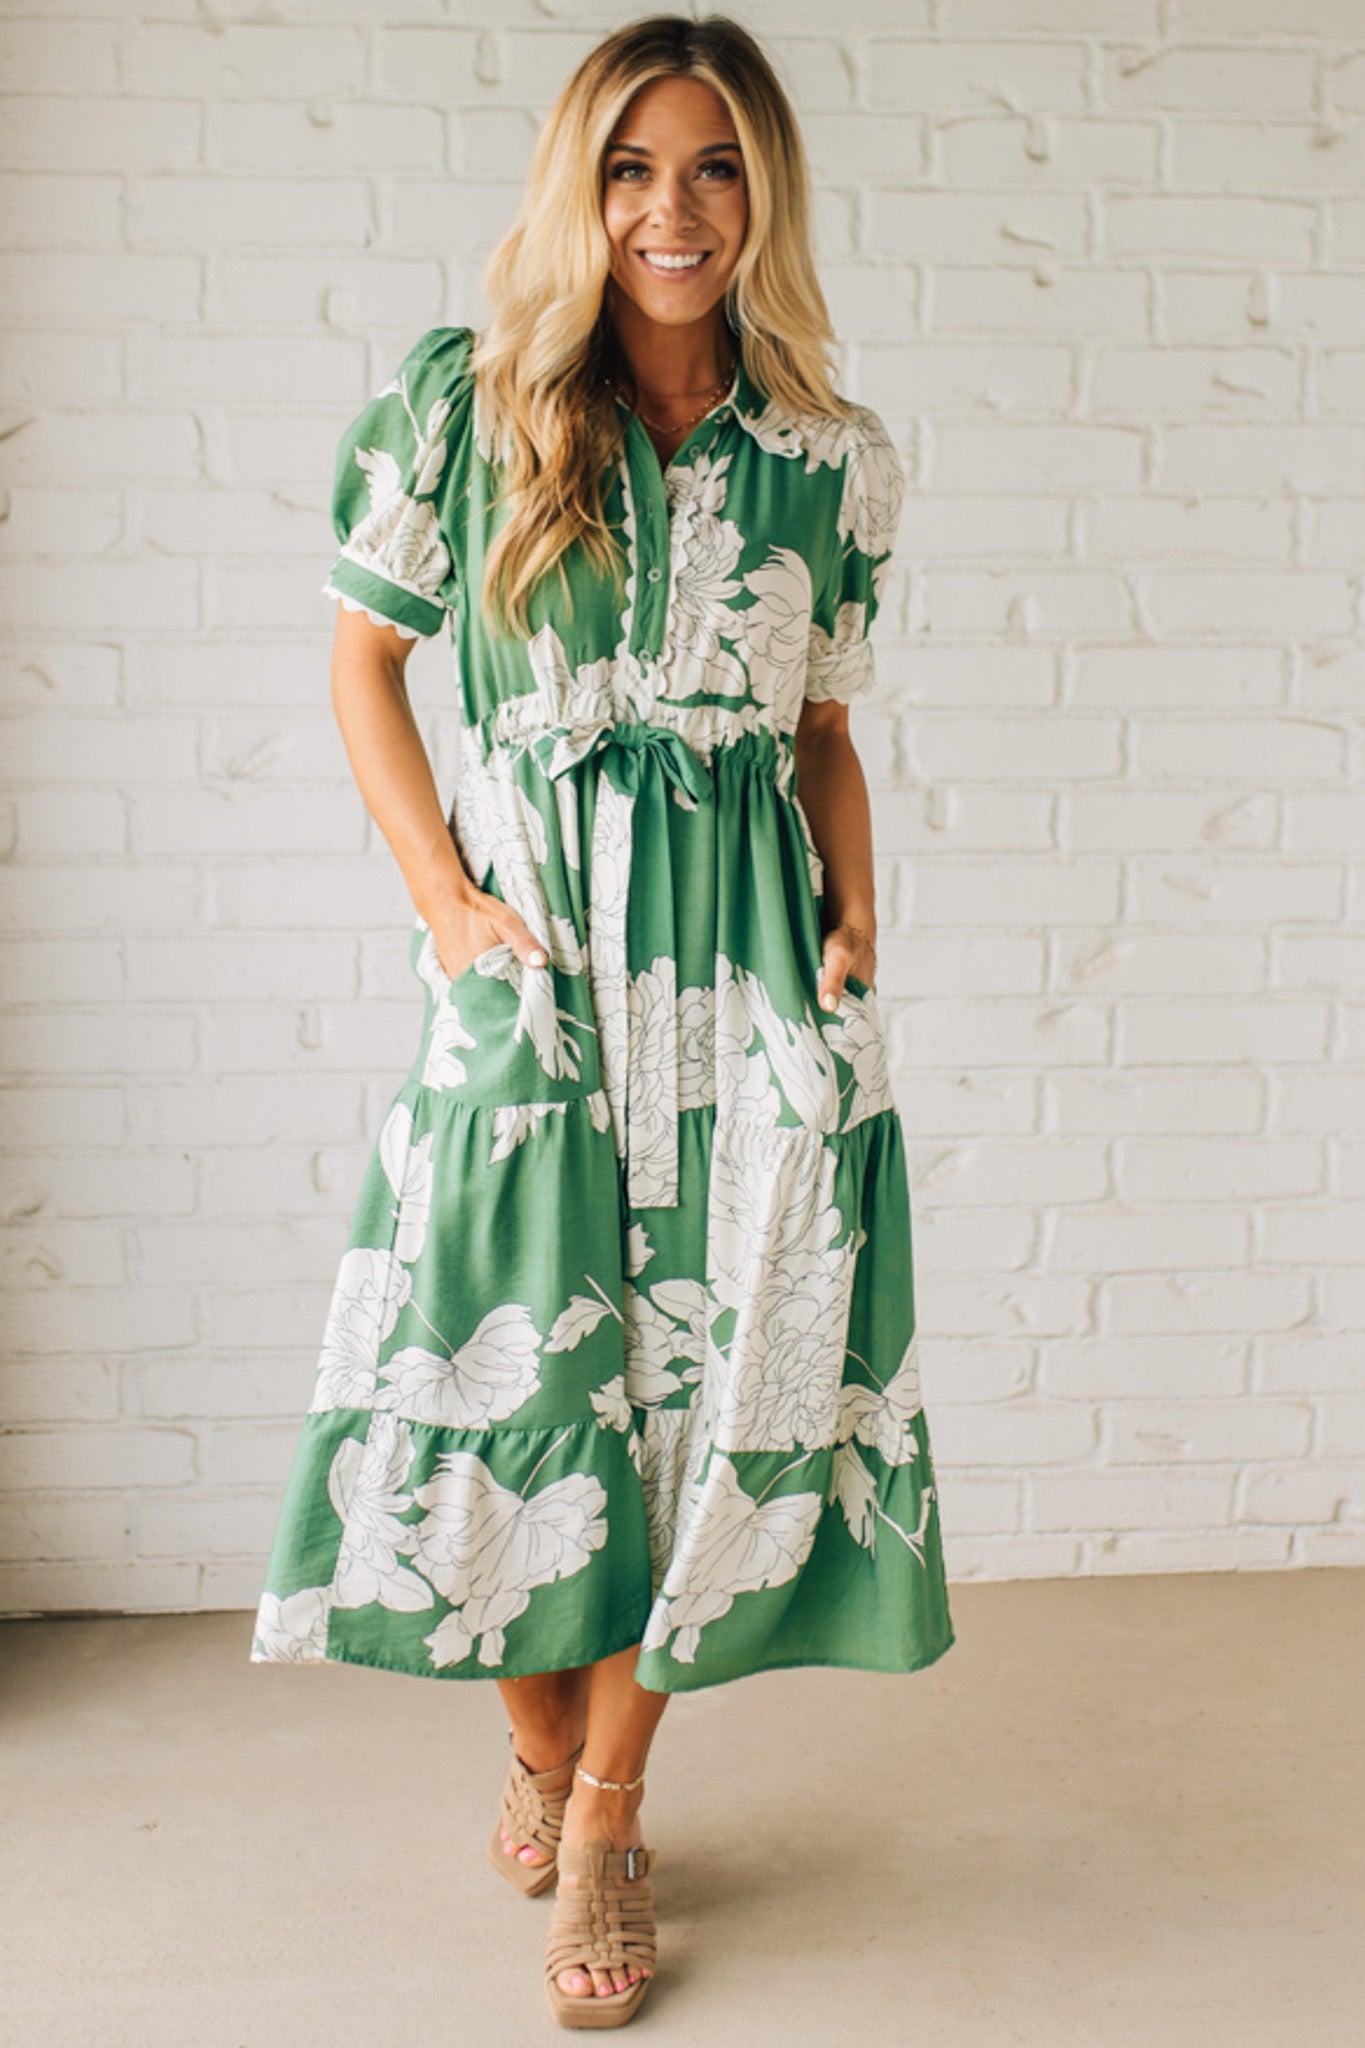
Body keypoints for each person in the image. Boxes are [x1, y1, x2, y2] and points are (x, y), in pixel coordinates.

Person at [249, 11, 955, 2028]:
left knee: (717, 1400)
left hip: (750, 980)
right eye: (633, 167)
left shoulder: (828, 455)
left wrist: (858, 922)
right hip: (533, 971)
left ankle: (611, 1819)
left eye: (715, 166)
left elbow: (821, 733)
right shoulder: (464, 408)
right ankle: (545, 1749)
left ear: (763, 193)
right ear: (582, 186)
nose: (673, 209)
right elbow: (362, 665)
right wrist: (447, 906)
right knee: (508, 1378)